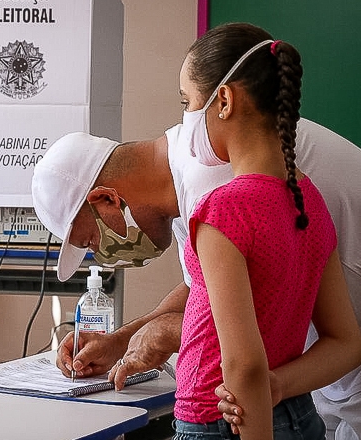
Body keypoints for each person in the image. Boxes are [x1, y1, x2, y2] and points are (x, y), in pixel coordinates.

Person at [31, 27, 361, 440]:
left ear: (106, 200)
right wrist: (124, 339)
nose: (102, 254)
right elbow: (207, 287)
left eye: (91, 241)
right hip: (303, 384)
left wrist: (166, 333)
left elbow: (239, 338)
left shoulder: (217, 177)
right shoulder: (200, 173)